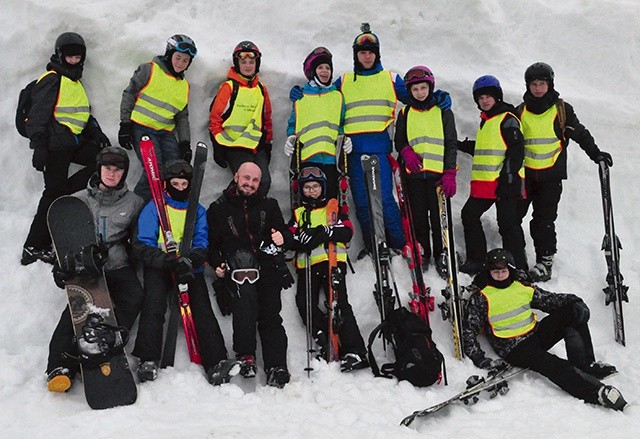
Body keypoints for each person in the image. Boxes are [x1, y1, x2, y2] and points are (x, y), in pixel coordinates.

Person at [463, 248, 627, 411]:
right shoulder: (482, 297)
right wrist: (479, 357)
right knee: (553, 364)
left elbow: (549, 300)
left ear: (510, 270)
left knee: (572, 313)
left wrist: (575, 301)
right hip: (514, 348)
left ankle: (585, 364)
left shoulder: (520, 286)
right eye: (495, 271)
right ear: (488, 272)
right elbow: (469, 330)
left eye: (503, 270)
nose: (499, 275)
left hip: (534, 334)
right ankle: (595, 392)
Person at [46, 147, 144, 392]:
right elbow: (63, 242)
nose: (112, 174)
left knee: (133, 295)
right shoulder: (77, 200)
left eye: (118, 169)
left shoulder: (134, 203)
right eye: (107, 168)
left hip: (117, 265)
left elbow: (138, 241)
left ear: (124, 173)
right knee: (77, 309)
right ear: (99, 169)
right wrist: (61, 268)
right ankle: (60, 366)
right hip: (86, 266)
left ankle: (106, 339)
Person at [132, 159, 232, 385]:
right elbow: (141, 244)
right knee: (154, 304)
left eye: (183, 184)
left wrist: (191, 260)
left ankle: (216, 362)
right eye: (174, 184)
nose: (179, 188)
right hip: (160, 266)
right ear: (167, 184)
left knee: (201, 307)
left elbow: (202, 242)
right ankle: (148, 360)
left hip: (188, 267)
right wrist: (166, 261)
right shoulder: (154, 208)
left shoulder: (197, 211)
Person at [517, 62, 613, 282]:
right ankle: (516, 260)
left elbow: (579, 133)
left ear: (550, 84)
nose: (538, 88)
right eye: (534, 84)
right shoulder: (520, 111)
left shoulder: (561, 110)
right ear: (528, 86)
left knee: (543, 221)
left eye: (542, 83)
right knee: (512, 218)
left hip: (550, 178)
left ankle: (545, 262)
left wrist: (596, 154)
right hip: (526, 176)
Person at [22, 32, 111, 266]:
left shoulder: (74, 82)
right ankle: (33, 245)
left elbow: (81, 113)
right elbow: (38, 115)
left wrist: (95, 132)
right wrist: (39, 146)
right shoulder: (52, 79)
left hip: (72, 143)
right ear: (60, 55)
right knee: (51, 195)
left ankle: (64, 192)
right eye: (70, 55)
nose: (73, 59)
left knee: (101, 163)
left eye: (77, 56)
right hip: (54, 146)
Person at [207, 162, 294, 388]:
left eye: (255, 180)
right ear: (236, 176)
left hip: (265, 265)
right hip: (237, 267)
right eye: (246, 178)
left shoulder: (269, 205)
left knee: (270, 314)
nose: (250, 184)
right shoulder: (219, 208)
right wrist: (216, 264)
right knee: (244, 307)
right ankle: (245, 355)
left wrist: (282, 238)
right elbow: (209, 245)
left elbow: (282, 232)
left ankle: (277, 365)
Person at [288, 167, 368, 371]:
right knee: (304, 303)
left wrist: (323, 232)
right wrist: (300, 239)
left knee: (339, 303)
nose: (311, 191)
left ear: (322, 188)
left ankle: (355, 351)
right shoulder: (298, 214)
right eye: (307, 187)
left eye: (315, 187)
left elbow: (347, 232)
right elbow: (288, 237)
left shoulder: (333, 208)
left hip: (332, 263)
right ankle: (324, 338)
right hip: (308, 267)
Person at [458, 75, 528, 276]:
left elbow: (516, 150)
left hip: (505, 182)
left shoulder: (507, 118)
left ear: (497, 97)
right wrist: (464, 146)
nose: (485, 101)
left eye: (488, 96)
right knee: (469, 215)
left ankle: (519, 268)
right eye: (481, 98)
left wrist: (508, 179)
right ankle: (477, 260)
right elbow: (488, 149)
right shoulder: (487, 121)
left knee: (508, 224)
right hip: (486, 185)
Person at [393, 65, 458, 276]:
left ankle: (442, 254)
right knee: (419, 218)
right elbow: (399, 139)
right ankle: (424, 252)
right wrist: (406, 152)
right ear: (409, 92)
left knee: (439, 221)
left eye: (423, 88)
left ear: (430, 87)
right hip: (414, 177)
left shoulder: (443, 112)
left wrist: (450, 173)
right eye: (415, 89)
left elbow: (450, 142)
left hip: (438, 178)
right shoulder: (405, 112)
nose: (420, 93)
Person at [119, 34, 196, 201]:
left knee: (174, 171)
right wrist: (125, 125)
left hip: (165, 133)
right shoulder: (149, 69)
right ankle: (137, 211)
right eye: (178, 58)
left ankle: (165, 209)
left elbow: (182, 117)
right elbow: (129, 94)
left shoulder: (184, 85)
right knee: (154, 170)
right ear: (169, 54)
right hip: (141, 128)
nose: (180, 63)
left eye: (185, 60)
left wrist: (184, 143)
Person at [284, 47, 352, 201]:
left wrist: (346, 139)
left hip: (331, 160)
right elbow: (293, 124)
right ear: (313, 71)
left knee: (331, 201)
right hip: (307, 159)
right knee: (309, 201)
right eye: (320, 67)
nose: (324, 71)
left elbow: (341, 125)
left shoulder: (338, 97)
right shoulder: (301, 97)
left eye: (328, 68)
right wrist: (290, 138)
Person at [209, 41, 273, 195]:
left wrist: (268, 142)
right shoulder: (230, 87)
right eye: (243, 62)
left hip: (256, 146)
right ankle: (226, 209)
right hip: (234, 145)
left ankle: (255, 216)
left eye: (251, 62)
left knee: (263, 182)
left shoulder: (261, 89)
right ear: (236, 63)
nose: (247, 65)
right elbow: (215, 118)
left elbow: (266, 118)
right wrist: (218, 146)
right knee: (246, 180)